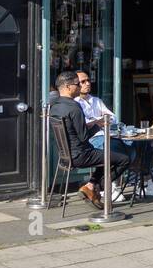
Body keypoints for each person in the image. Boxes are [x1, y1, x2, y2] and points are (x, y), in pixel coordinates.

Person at [49, 71, 131, 209]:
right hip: (81, 155)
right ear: (68, 87)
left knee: (106, 155)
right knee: (124, 159)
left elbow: (74, 129)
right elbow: (84, 136)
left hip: (66, 155)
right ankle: (97, 186)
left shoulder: (56, 106)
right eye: (77, 84)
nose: (80, 87)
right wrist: (98, 125)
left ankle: (91, 186)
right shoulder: (74, 107)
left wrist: (92, 124)